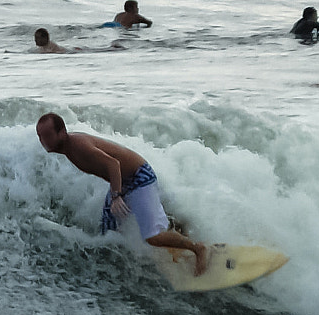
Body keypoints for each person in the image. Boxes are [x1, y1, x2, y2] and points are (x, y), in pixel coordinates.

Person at [35, 112, 208, 275]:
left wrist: (116, 196)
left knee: (152, 237)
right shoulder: (68, 148)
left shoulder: (78, 145)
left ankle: (197, 248)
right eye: (40, 136)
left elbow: (113, 164)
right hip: (125, 183)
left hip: (139, 178)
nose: (43, 141)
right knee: (109, 230)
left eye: (47, 135)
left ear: (62, 132)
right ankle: (176, 231)